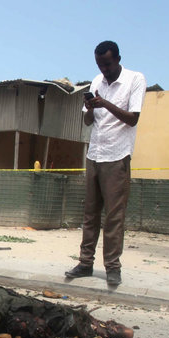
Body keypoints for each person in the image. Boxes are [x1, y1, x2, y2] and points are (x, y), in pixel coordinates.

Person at [65, 40, 146, 287]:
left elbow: (133, 119)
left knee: (114, 217)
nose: (104, 70)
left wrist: (106, 104)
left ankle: (112, 267)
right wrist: (91, 107)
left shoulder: (135, 79)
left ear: (118, 59)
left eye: (108, 64)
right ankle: (85, 263)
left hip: (117, 156)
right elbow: (89, 121)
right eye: (100, 65)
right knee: (90, 214)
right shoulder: (97, 81)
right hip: (95, 154)